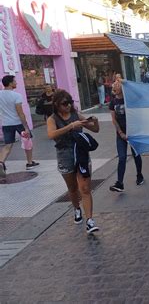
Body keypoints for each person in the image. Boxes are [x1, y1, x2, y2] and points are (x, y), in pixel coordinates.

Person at [46, 90, 100, 234]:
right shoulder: (52, 119)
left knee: (85, 188)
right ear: (57, 104)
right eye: (65, 103)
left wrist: (95, 120)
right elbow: (51, 134)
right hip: (65, 156)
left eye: (70, 102)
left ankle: (90, 220)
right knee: (72, 188)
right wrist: (71, 126)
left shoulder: (76, 115)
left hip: (81, 154)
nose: (68, 106)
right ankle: (77, 209)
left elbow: (95, 129)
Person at [0, 75, 40, 177]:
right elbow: (20, 113)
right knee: (27, 142)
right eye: (14, 81)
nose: (16, 83)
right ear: (10, 83)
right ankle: (30, 163)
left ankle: (0, 163)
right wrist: (26, 127)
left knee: (8, 145)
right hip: (18, 122)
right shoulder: (16, 96)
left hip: (6, 123)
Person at [109, 80, 144, 192]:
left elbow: (140, 96)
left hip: (133, 132)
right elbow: (113, 119)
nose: (114, 85)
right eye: (114, 84)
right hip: (121, 134)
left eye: (118, 84)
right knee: (122, 157)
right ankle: (120, 183)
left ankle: (139, 175)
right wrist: (121, 133)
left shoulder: (130, 99)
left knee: (136, 155)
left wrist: (127, 83)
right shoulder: (113, 102)